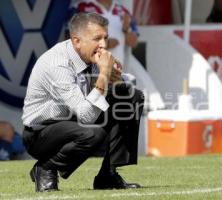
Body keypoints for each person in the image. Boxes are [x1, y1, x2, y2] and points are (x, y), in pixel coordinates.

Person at [22, 12, 144, 192]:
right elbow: (86, 116)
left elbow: (128, 84)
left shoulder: (93, 55)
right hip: (40, 132)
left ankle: (107, 175)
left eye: (105, 37)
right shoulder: (57, 63)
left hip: (74, 120)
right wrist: (103, 75)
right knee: (92, 133)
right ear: (77, 41)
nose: (103, 44)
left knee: (131, 96)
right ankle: (47, 167)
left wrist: (116, 79)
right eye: (97, 38)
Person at [69, 0, 139, 66]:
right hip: (89, 72)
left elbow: (133, 42)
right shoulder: (80, 7)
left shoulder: (123, 11)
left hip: (115, 72)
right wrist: (103, 44)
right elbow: (72, 40)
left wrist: (126, 30)